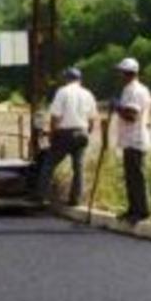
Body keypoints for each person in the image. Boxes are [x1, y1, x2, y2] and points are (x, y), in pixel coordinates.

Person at [36, 67, 98, 205]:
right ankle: (76, 199)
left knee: (49, 164)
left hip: (65, 134)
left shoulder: (63, 92)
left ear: (67, 79)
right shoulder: (88, 94)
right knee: (78, 168)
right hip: (82, 132)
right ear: (80, 80)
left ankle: (42, 196)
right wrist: (86, 133)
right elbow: (92, 119)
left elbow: (55, 116)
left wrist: (52, 134)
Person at [114, 58, 151, 224]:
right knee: (131, 176)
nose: (119, 75)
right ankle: (133, 209)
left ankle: (142, 211)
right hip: (132, 138)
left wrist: (116, 107)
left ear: (127, 73)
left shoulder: (134, 90)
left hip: (135, 139)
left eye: (121, 72)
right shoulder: (137, 89)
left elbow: (131, 116)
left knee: (137, 176)